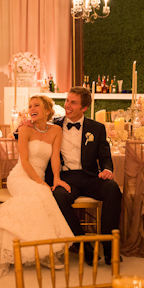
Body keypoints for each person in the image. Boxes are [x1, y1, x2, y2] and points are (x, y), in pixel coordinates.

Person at [0, 95, 74, 280]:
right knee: (42, 193)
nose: (32, 108)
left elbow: (55, 157)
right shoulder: (25, 129)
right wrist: (41, 183)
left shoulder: (56, 130)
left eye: (36, 105)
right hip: (20, 176)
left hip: (38, 177)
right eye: (30, 105)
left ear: (47, 110)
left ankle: (42, 251)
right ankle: (46, 253)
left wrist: (56, 179)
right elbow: (24, 161)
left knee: (41, 196)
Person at [48, 86, 122, 265]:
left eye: (73, 103)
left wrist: (107, 170)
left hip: (90, 176)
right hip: (65, 178)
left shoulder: (97, 128)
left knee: (113, 189)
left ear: (84, 108)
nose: (67, 105)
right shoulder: (53, 125)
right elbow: (28, 134)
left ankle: (109, 247)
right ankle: (84, 246)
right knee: (59, 196)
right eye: (67, 101)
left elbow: (105, 156)